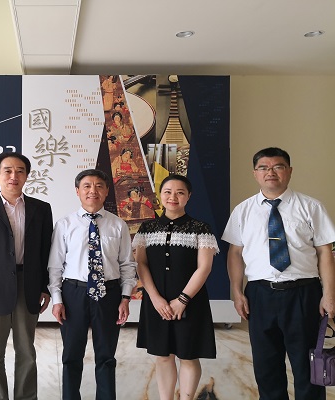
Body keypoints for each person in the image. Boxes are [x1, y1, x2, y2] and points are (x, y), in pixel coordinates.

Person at [222, 147, 335, 400]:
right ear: (255, 173)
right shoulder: (243, 210)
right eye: (263, 168)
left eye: (278, 167)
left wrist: (329, 294)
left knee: (307, 365)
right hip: (260, 294)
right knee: (266, 366)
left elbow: (325, 253)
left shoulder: (311, 207)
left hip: (303, 293)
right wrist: (237, 292)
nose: (270, 172)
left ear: (289, 171)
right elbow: (235, 254)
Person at [0, 152, 53, 400]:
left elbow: (46, 251)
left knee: (26, 351)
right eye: (7, 171)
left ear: (26, 176)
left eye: (20, 171)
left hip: (29, 284)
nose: (13, 176)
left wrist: (45, 287)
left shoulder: (41, 209)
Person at [48, 169, 136, 400]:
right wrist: (57, 300)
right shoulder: (65, 224)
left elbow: (127, 264)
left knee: (106, 356)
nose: (92, 191)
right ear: (77, 191)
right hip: (73, 293)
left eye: (99, 186)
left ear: (106, 191)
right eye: (87, 186)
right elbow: (55, 266)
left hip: (109, 293)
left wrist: (125, 297)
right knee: (71, 355)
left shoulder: (118, 225)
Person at [132, 174, 218, 400]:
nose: (173, 197)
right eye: (168, 192)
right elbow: (141, 264)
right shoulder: (147, 228)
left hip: (191, 302)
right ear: (160, 196)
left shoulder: (200, 228)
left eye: (180, 192)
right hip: (156, 301)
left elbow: (204, 268)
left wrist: (182, 300)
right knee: (162, 356)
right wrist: (155, 299)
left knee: (188, 355)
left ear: (189, 196)